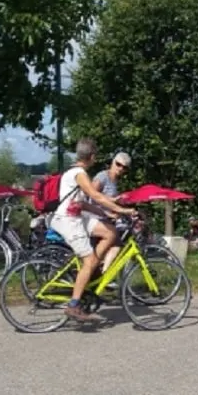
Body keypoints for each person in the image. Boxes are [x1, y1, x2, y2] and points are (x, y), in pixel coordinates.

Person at [48, 137, 135, 322]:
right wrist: (122, 210)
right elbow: (96, 196)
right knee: (88, 261)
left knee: (110, 232)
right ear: (92, 156)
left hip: (77, 217)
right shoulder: (79, 173)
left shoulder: (75, 172)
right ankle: (74, 305)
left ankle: (94, 270)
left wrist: (110, 216)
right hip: (68, 220)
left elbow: (84, 204)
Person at [89, 152, 130, 274]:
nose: (121, 168)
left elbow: (108, 201)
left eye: (124, 167)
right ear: (112, 162)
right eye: (118, 164)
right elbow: (92, 195)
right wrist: (112, 201)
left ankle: (104, 273)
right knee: (115, 241)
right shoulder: (102, 176)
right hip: (94, 218)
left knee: (116, 245)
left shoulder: (114, 181)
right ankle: (101, 273)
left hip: (106, 218)